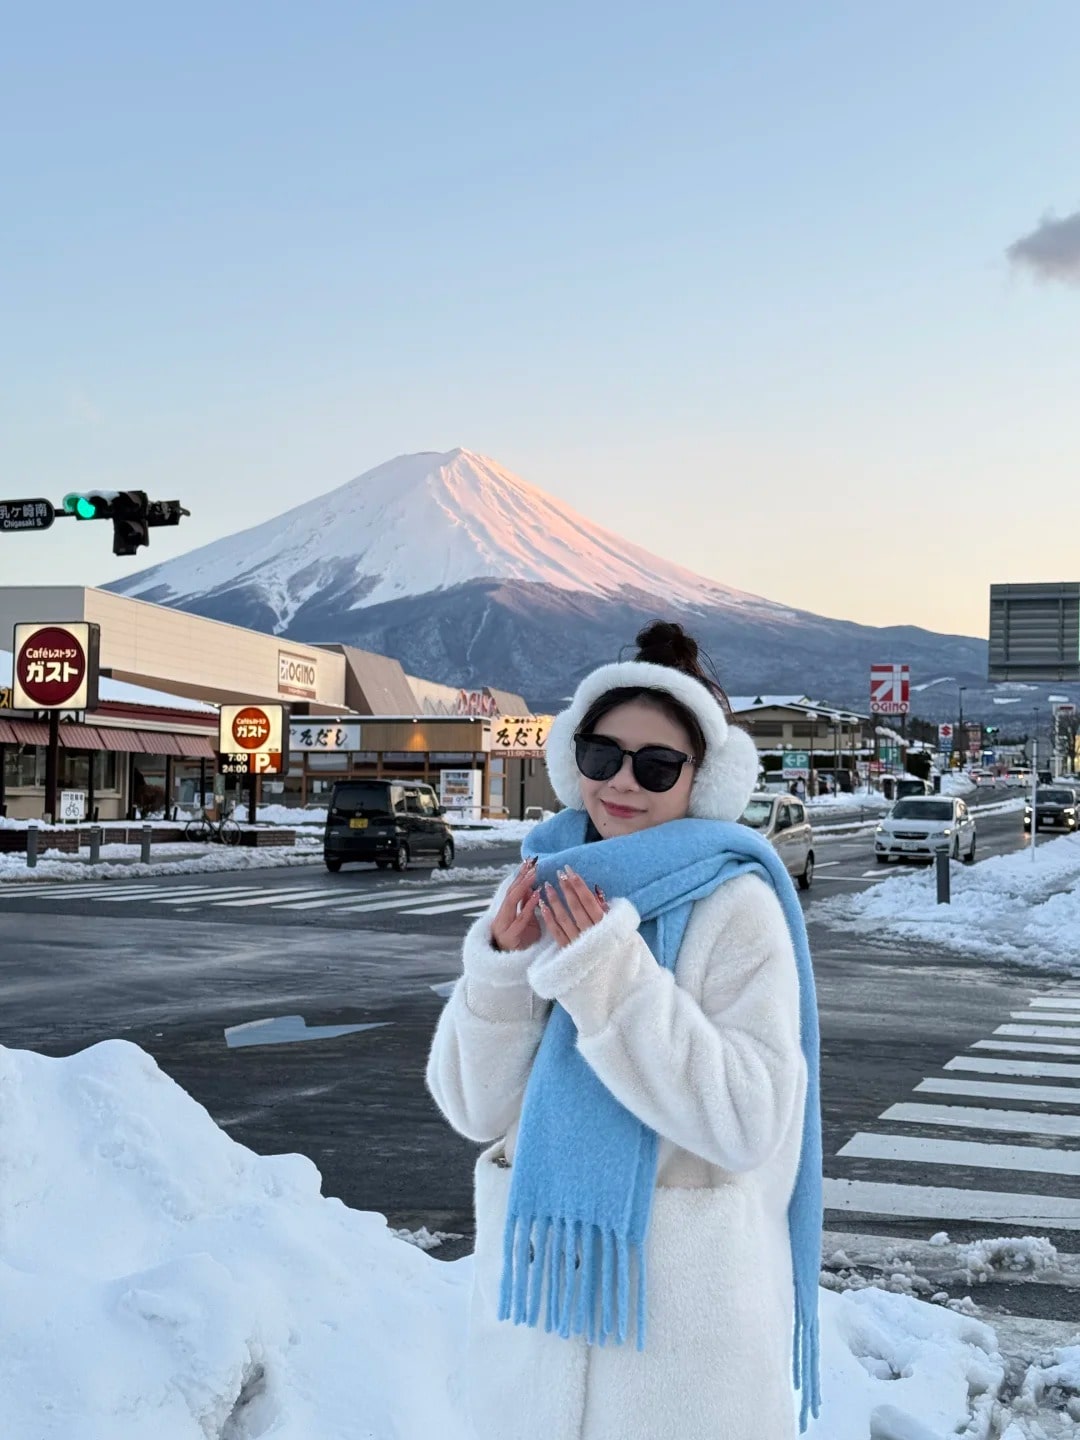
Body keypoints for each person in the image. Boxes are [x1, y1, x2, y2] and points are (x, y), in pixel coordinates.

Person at [426, 620, 822, 1440]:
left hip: (680, 1361)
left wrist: (608, 976)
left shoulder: (734, 906)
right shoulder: (546, 885)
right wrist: (499, 967)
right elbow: (473, 1110)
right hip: (534, 1337)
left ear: (701, 782)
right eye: (603, 755)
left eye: (657, 764)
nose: (624, 783)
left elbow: (749, 1121)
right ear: (574, 761)